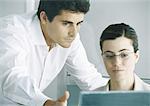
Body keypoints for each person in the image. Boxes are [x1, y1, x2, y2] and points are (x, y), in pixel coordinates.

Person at [0, 0, 107, 106]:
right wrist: (47, 103)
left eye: (78, 23)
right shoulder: (11, 31)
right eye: (66, 23)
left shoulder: (68, 37)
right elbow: (13, 79)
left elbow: (89, 78)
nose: (74, 33)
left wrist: (120, 92)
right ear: (44, 18)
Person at [95, 23, 150, 91]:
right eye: (109, 56)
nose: (116, 62)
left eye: (124, 55)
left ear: (136, 56)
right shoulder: (92, 99)